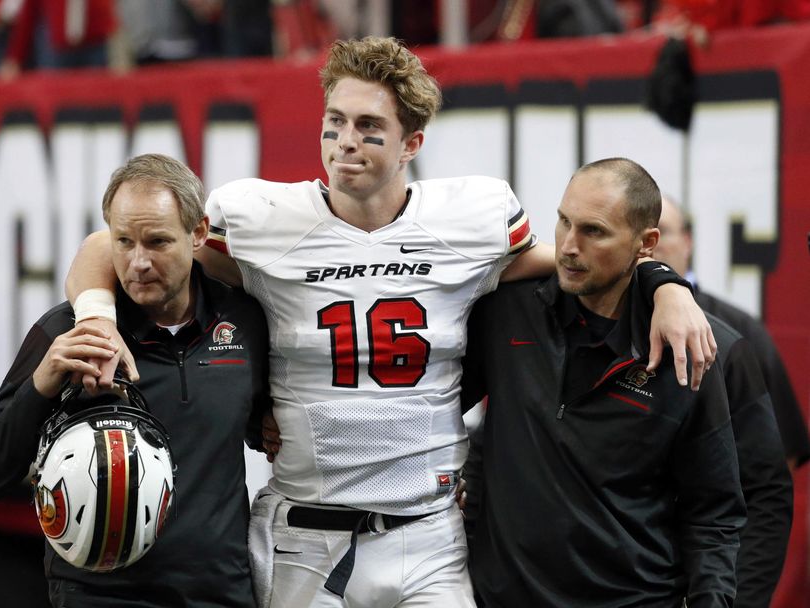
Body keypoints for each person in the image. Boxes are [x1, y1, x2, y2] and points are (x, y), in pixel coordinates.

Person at [64, 37, 716, 607]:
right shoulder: (261, 217)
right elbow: (114, 245)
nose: (346, 141)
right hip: (303, 534)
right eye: (335, 121)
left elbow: (578, 266)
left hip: (428, 531)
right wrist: (95, 316)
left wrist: (664, 284)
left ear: (412, 143)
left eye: (369, 125)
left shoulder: (472, 217)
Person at [0, 153, 271, 607]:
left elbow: (257, 423)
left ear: (199, 234)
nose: (139, 262)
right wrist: (42, 383)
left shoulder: (243, 321)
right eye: (124, 242)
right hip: (100, 596)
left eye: (158, 242)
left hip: (220, 593)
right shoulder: (68, 332)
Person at [460, 158, 746, 607]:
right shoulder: (506, 310)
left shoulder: (685, 349)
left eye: (593, 231)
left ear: (645, 243)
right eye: (563, 221)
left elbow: (713, 512)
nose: (568, 246)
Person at [656, 194, 810, 470]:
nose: (651, 244)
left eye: (662, 231)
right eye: (642, 234)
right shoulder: (607, 322)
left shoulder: (740, 331)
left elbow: (779, 457)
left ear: (687, 241)